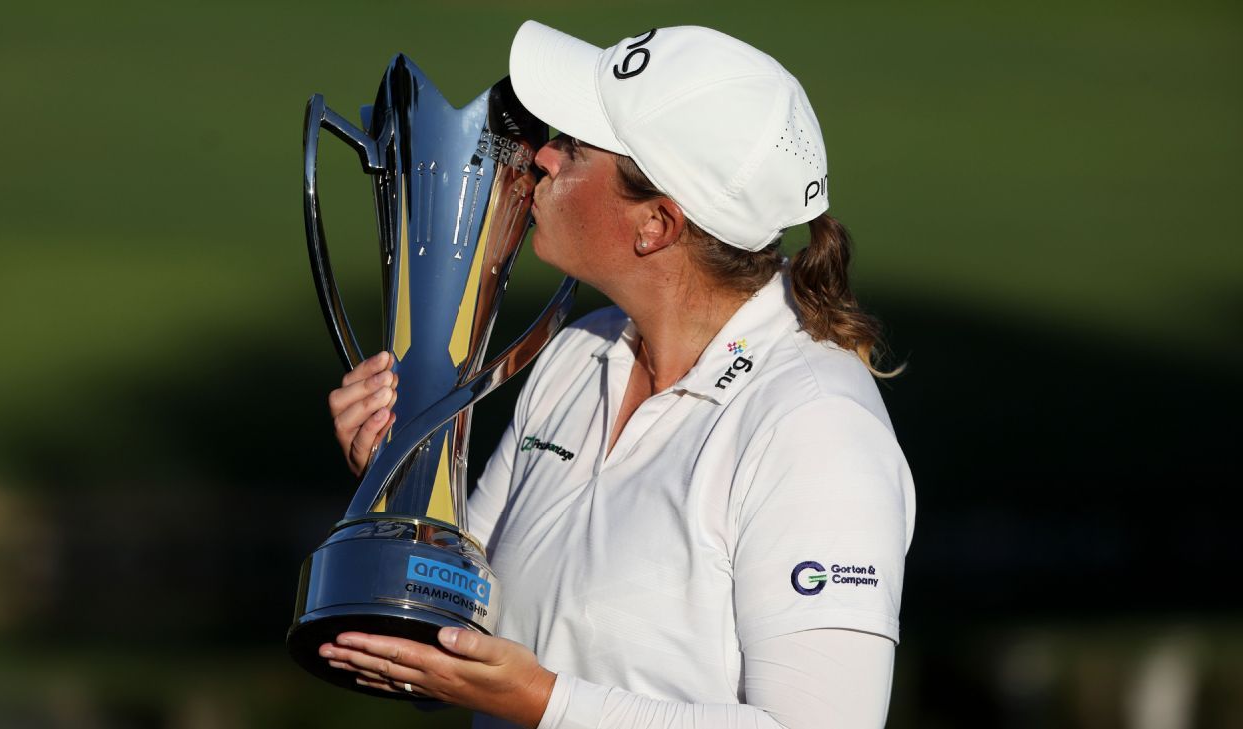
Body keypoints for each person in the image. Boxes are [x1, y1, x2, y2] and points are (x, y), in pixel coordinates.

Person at [318, 20, 916, 729]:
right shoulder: (579, 353)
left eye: (573, 147)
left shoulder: (818, 428)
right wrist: (402, 480)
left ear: (656, 224)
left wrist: (543, 701)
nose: (541, 155)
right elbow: (465, 626)